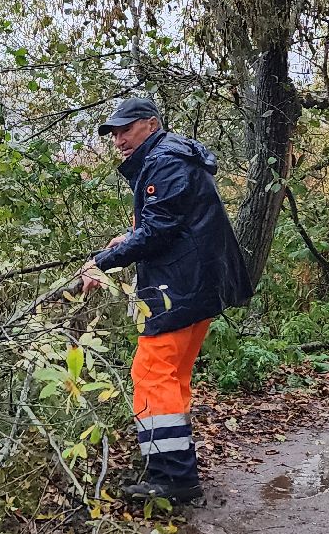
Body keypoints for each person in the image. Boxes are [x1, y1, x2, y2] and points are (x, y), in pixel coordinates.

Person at [81, 98, 251, 504]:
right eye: (114, 134)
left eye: (126, 130)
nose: (119, 140)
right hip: (194, 285)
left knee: (151, 375)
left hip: (179, 289)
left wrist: (101, 262)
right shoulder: (171, 157)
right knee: (171, 377)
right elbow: (173, 220)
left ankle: (173, 477)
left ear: (151, 124)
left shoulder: (165, 161)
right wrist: (128, 237)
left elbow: (160, 230)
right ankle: (174, 468)